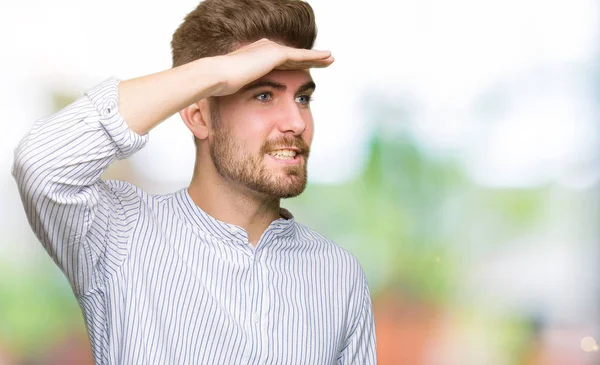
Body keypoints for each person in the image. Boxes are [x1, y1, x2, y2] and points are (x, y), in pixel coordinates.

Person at [12, 0, 377, 363]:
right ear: (199, 117)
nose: (296, 122)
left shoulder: (339, 275)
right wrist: (218, 72)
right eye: (263, 95)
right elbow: (41, 162)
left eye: (303, 98)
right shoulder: (119, 234)